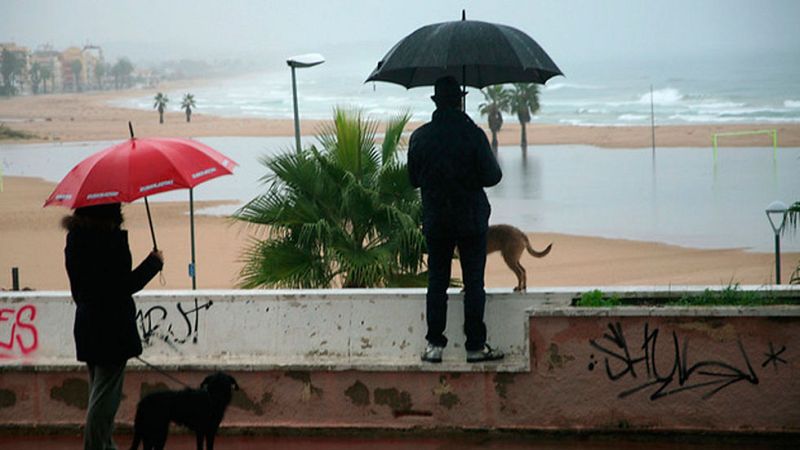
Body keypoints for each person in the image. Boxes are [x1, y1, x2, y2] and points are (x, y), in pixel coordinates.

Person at [408, 76, 504, 363]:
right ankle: (475, 346)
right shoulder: (472, 134)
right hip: (471, 219)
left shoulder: (420, 137)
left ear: (437, 102)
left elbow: (413, 179)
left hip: (437, 219)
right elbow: (493, 176)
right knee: (474, 282)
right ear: (460, 101)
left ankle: (434, 345)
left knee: (437, 282)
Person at [62, 203, 164, 450]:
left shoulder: (75, 240)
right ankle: (97, 445)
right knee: (106, 397)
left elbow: (86, 288)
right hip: (112, 329)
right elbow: (120, 286)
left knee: (99, 391)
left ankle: (104, 443)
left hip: (87, 324)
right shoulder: (108, 241)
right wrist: (153, 264)